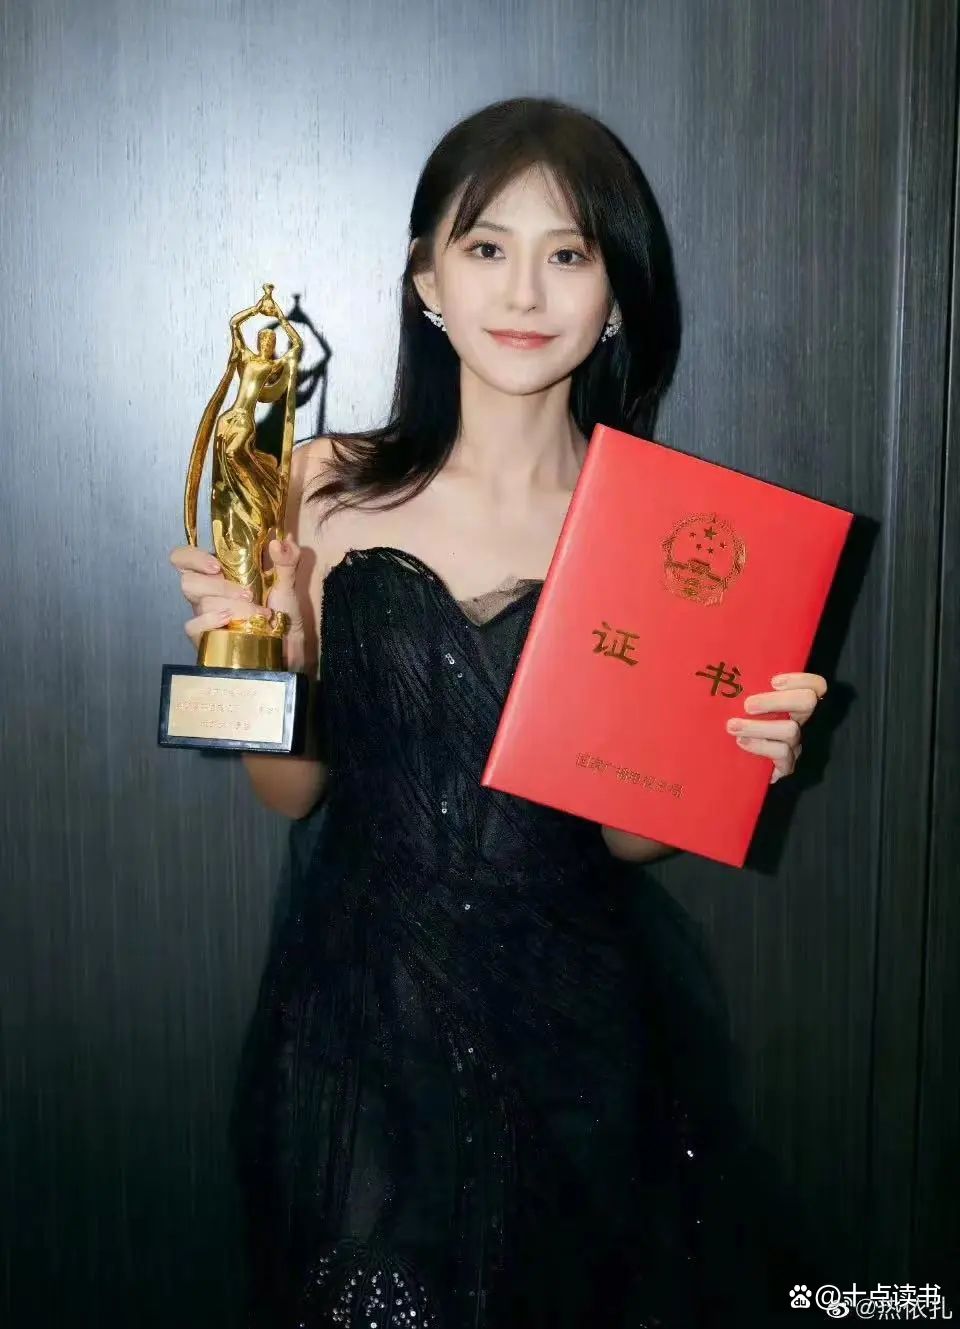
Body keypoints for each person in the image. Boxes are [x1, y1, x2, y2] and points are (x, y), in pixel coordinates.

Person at [170, 96, 828, 1329]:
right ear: (428, 279)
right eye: (486, 247)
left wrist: (735, 758)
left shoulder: (668, 533)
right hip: (361, 1007)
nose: (525, 291)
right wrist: (274, 653)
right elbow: (290, 795)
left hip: (578, 1018)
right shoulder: (322, 485)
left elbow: (627, 838)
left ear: (616, 294)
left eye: (568, 253)